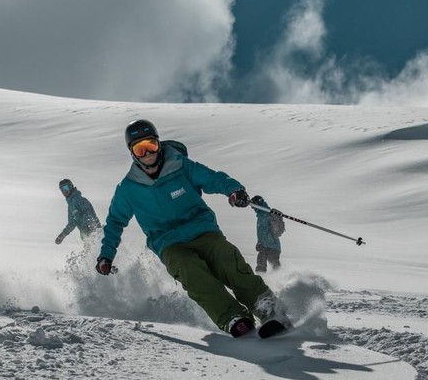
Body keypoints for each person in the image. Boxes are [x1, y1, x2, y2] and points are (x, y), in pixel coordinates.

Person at [96, 119, 291, 338]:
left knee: (227, 258)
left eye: (151, 145)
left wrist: (234, 190)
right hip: (168, 243)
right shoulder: (128, 188)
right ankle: (232, 316)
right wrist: (106, 255)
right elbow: (114, 222)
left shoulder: (181, 166)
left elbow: (213, 178)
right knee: (188, 269)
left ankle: (268, 308)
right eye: (140, 149)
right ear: (132, 154)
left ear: (159, 144)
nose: (148, 153)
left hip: (202, 230)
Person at [55, 179, 101, 245]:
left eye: (66, 188)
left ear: (71, 187)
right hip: (87, 237)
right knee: (90, 253)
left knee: (97, 251)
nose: (65, 191)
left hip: (94, 234)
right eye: (62, 189)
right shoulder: (70, 206)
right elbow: (71, 224)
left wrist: (92, 230)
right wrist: (62, 235)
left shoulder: (80, 200)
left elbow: (90, 215)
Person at [250, 195, 285, 272]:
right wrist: (260, 242)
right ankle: (261, 280)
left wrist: (263, 243)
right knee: (261, 265)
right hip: (265, 246)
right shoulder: (261, 215)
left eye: (254, 206)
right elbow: (263, 232)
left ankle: (284, 279)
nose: (253, 209)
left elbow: (273, 232)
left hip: (272, 246)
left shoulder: (267, 214)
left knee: (273, 265)